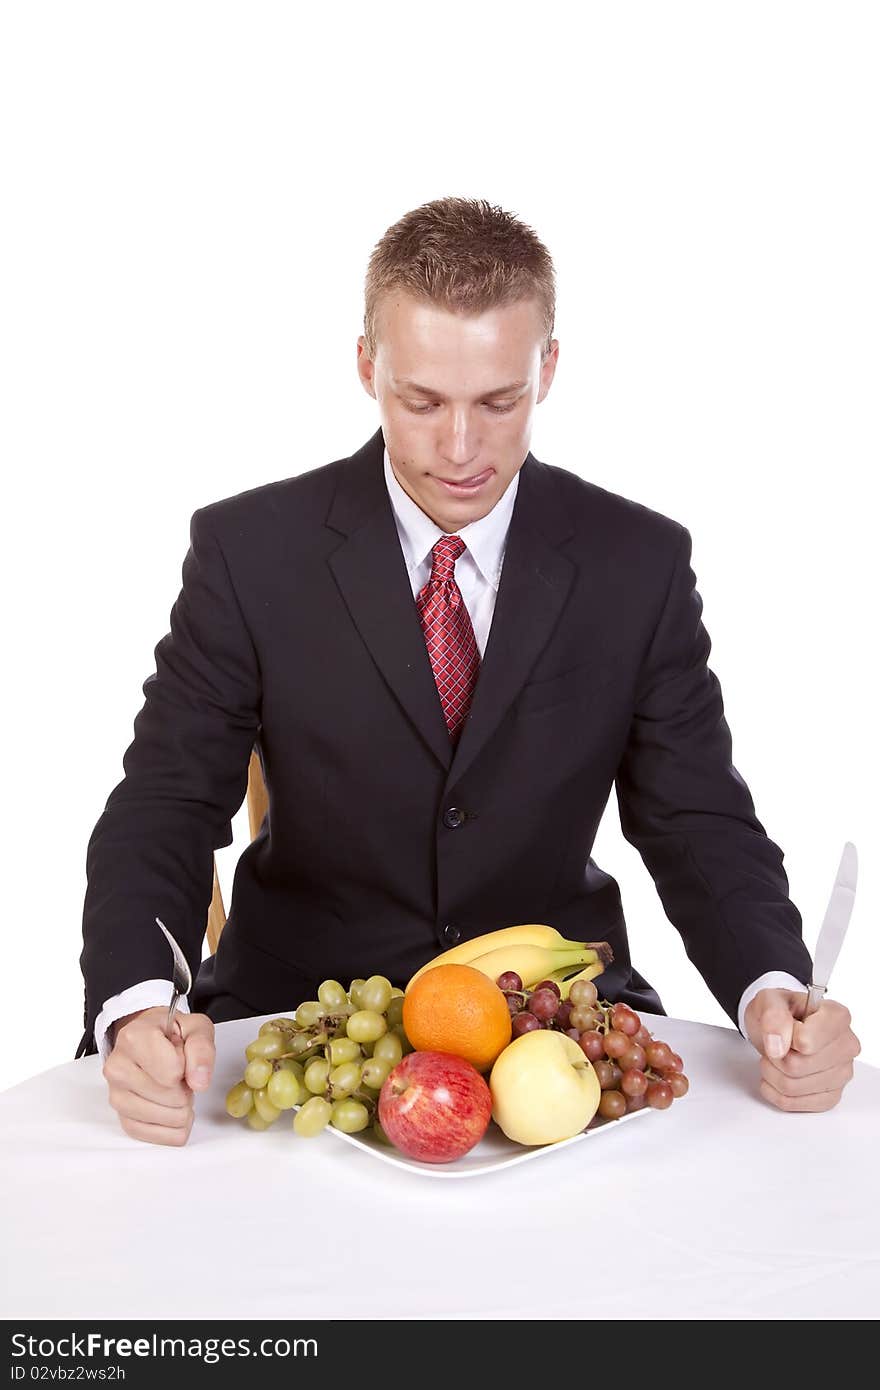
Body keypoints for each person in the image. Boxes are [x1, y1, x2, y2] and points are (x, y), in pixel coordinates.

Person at [78, 196, 860, 1146]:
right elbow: (164, 802)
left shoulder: (638, 563)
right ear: (367, 365)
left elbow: (697, 817)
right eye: (422, 401)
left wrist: (774, 989)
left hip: (560, 1030)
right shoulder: (250, 552)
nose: (460, 447)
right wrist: (132, 1004)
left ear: (550, 369)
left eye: (499, 401)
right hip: (299, 1023)